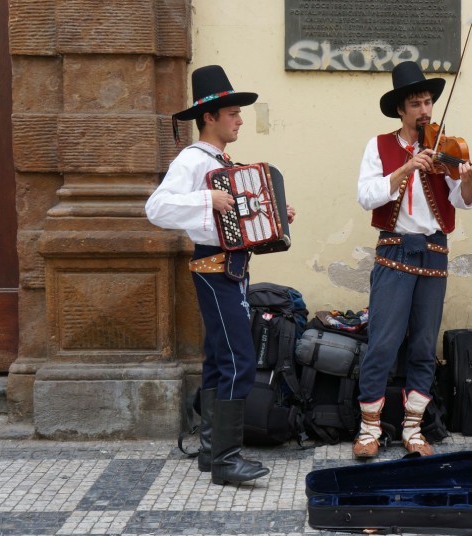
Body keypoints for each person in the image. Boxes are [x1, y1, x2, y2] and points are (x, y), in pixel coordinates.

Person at [146, 65, 295, 485]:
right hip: (214, 269)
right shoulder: (193, 160)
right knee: (238, 359)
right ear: (209, 116)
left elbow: (236, 218)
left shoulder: (221, 162)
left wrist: (274, 217)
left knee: (217, 360)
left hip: (230, 269)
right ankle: (228, 459)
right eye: (232, 113)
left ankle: (213, 453)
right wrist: (205, 198)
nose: (240, 120)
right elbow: (156, 209)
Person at [354, 61, 472, 458]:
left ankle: (413, 428)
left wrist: (469, 180)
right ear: (401, 110)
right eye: (416, 103)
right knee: (383, 343)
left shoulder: (447, 147)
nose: (425, 110)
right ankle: (368, 430)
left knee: (424, 346)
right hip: (394, 249)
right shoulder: (379, 146)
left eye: (428, 102)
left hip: (434, 252)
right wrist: (407, 167)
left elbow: (463, 202)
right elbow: (367, 196)